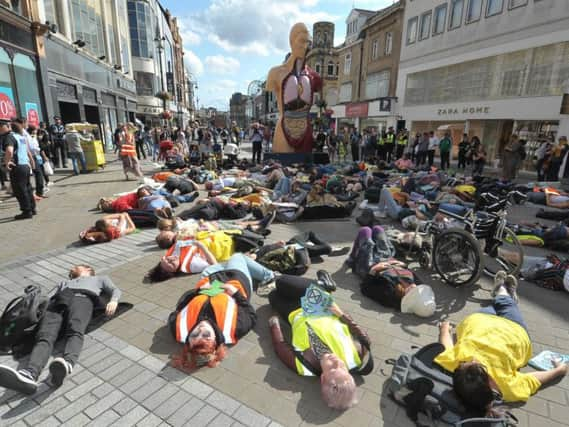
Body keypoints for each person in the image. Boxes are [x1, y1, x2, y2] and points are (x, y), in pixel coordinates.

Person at [435, 273, 568, 415]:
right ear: (492, 386)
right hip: (513, 330)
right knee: (505, 303)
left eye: (466, 363)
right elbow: (533, 380)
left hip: (482, 321)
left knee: (500, 304)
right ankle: (503, 291)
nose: (473, 359)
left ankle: (502, 292)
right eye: (479, 366)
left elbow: (446, 347)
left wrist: (444, 329)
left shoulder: (459, 369)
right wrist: (558, 371)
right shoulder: (505, 387)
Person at [0, 265, 121, 394]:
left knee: (75, 329)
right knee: (44, 336)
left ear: (88, 269)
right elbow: (48, 297)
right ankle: (30, 374)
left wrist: (113, 301)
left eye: (76, 267)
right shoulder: (64, 283)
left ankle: (67, 363)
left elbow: (115, 290)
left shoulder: (100, 278)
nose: (71, 269)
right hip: (57, 303)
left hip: (82, 299)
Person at [267, 274, 372, 410]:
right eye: (343, 368)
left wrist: (273, 323)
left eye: (333, 368)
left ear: (322, 378)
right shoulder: (357, 356)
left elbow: (280, 346)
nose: (337, 361)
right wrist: (342, 315)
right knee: (281, 282)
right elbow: (363, 336)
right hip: (319, 303)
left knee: (273, 295)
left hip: (295, 312)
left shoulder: (305, 366)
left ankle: (318, 285)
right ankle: (323, 285)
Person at [168, 254, 275, 370]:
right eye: (206, 335)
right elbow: (251, 314)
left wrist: (198, 291)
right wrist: (235, 293)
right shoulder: (234, 330)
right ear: (215, 342)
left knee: (216, 265)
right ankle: (269, 276)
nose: (200, 329)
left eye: (194, 335)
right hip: (235, 280)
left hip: (208, 280)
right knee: (237, 256)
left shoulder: (178, 329)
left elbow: (180, 306)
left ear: (188, 340)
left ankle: (246, 261)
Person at [2, 118, 36, 219]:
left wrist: (7, 162)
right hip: (25, 165)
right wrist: (31, 162)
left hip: (17, 166)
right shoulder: (20, 137)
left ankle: (26, 211)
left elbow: (9, 150)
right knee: (27, 188)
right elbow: (27, 151)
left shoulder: (9, 137)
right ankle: (32, 208)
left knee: (20, 190)